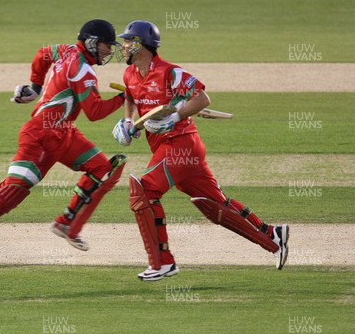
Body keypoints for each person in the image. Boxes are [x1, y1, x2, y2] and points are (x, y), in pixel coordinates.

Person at [112, 20, 289, 281]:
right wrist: (129, 122)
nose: (124, 45)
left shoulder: (170, 72)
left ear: (142, 45)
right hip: (165, 147)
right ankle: (273, 236)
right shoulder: (130, 74)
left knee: (145, 191)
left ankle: (162, 263)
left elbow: (202, 99)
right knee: (214, 206)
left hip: (182, 143)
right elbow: (130, 96)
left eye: (128, 41)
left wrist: (174, 118)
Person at [0, 19, 127, 263]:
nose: (109, 51)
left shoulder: (65, 50)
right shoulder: (83, 70)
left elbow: (42, 55)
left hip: (64, 133)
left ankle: (66, 223)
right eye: (106, 45)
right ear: (92, 42)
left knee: (102, 168)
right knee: (14, 190)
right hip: (41, 134)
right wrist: (124, 97)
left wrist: (35, 86)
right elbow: (95, 113)